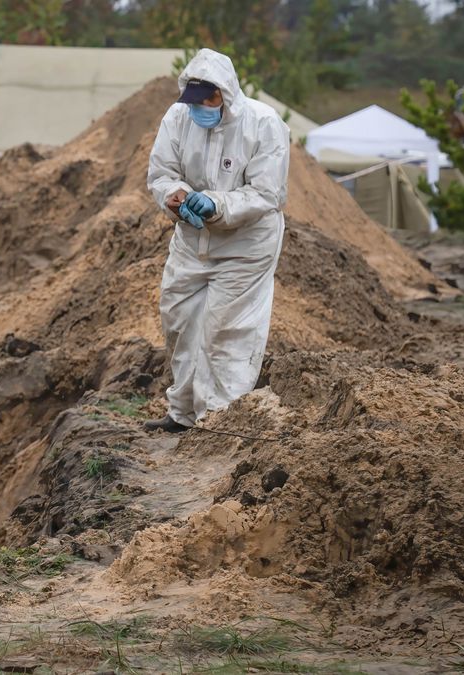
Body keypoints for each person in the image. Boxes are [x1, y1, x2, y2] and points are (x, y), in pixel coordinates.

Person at [144, 48, 290, 433]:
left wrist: (216, 204)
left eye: (205, 101)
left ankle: (221, 420)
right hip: (192, 242)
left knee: (228, 331)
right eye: (192, 101)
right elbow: (162, 172)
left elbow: (266, 194)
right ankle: (184, 412)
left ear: (223, 94)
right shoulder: (178, 118)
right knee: (180, 321)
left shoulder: (263, 124)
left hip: (245, 246)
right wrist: (174, 197)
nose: (198, 110)